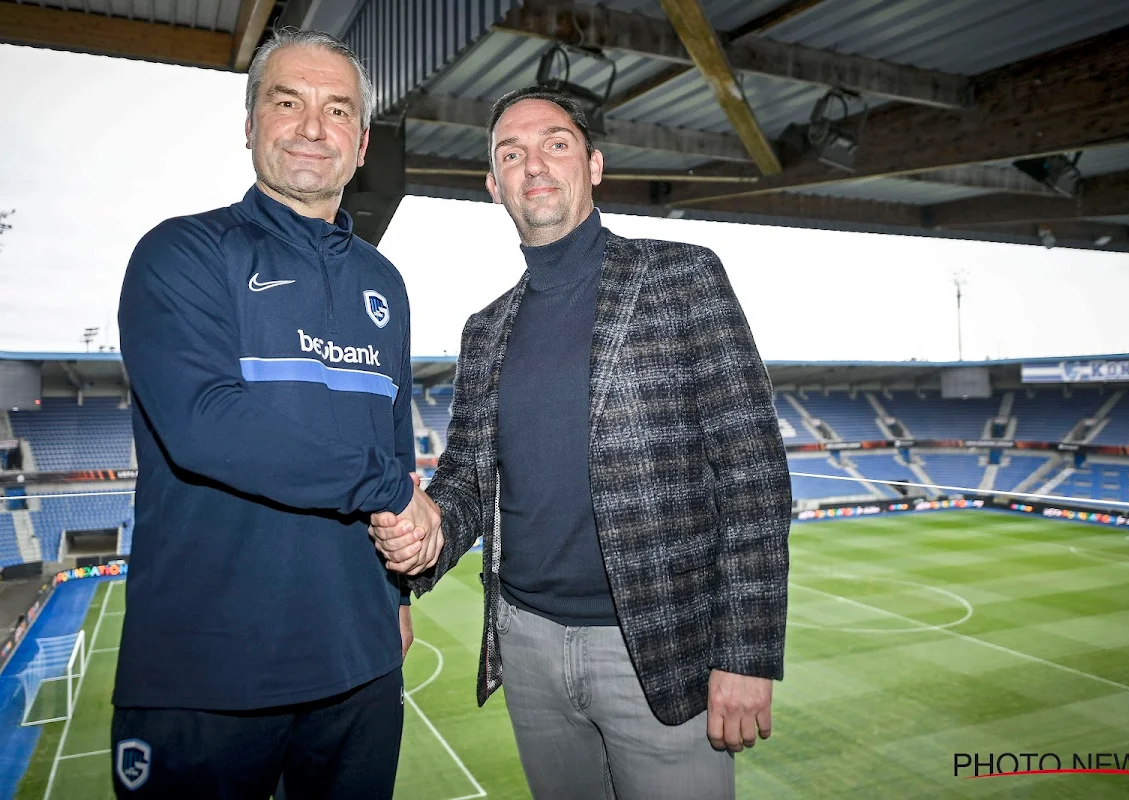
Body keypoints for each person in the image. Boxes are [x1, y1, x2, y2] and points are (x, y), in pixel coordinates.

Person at [370, 87, 790, 799]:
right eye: (512, 153)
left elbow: (752, 476)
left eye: (555, 144)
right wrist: (431, 528)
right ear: (493, 184)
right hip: (526, 648)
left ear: (593, 164)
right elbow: (470, 478)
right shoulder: (485, 329)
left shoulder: (684, 278)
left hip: (659, 650)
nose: (534, 164)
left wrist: (745, 655)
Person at [113, 29, 441, 800]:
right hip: (204, 675)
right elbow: (205, 425)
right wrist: (389, 491)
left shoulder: (383, 284)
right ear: (251, 122)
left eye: (337, 110)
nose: (311, 127)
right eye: (287, 101)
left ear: (362, 143)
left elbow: (395, 446)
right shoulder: (182, 254)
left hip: (358, 669)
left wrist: (392, 596)